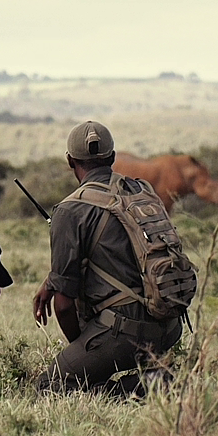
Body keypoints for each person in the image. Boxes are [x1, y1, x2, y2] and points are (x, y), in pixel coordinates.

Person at [32, 120, 183, 395]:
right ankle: (157, 376)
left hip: (126, 333)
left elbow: (63, 307)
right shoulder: (142, 190)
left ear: (70, 161)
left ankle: (154, 386)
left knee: (51, 386)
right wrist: (52, 280)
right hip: (169, 325)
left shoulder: (70, 210)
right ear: (112, 157)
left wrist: (81, 350)